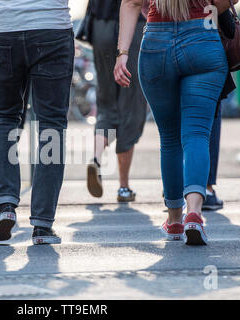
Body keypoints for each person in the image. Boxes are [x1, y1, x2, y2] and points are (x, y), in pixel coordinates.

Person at [115, 0, 236, 245]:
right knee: (197, 134)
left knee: (170, 138)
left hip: (156, 43)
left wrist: (122, 54)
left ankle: (174, 221)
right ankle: (194, 214)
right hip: (203, 38)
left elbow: (130, 3)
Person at [0, 0, 74, 244]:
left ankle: (5, 205)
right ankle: (43, 226)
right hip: (51, 26)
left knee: (3, 116)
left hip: (3, 26)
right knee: (51, 124)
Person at [85, 0, 148, 202]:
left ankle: (95, 158)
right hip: (134, 24)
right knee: (131, 104)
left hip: (100, 24)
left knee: (105, 101)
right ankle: (123, 186)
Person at [203, 0, 240, 211]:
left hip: (167, 32)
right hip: (209, 30)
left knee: (179, 113)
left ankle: (176, 188)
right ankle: (205, 189)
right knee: (211, 108)